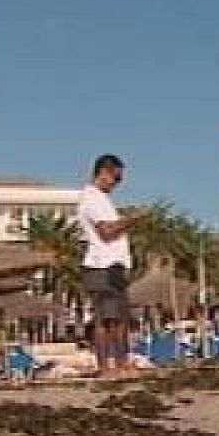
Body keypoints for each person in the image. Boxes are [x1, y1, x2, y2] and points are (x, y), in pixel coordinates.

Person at [76, 154, 141, 378]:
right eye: (116, 178)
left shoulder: (102, 200)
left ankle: (121, 362)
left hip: (112, 266)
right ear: (104, 172)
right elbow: (106, 232)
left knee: (119, 317)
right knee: (107, 318)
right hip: (101, 266)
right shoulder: (92, 199)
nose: (117, 183)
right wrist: (133, 219)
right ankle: (106, 366)